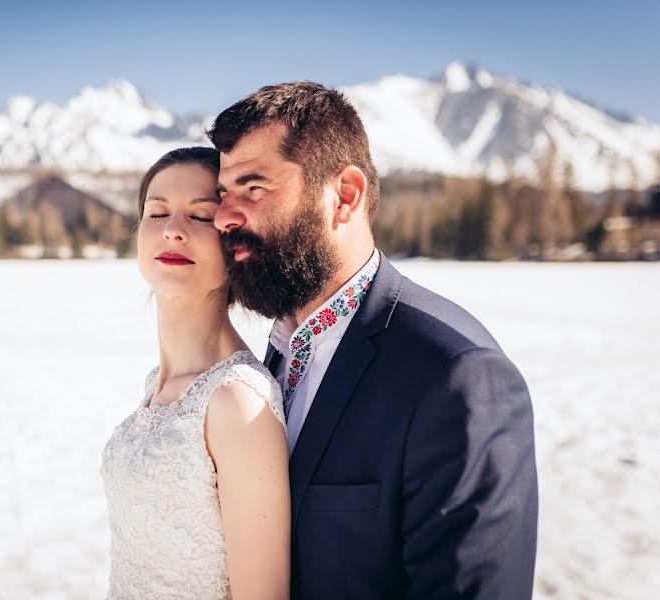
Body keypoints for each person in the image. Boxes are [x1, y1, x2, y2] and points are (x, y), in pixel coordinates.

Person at [207, 82, 538, 599]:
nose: (225, 217)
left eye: (254, 189)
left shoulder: (455, 375)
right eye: (225, 195)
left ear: (345, 196)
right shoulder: (272, 354)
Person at [100, 147, 291, 600]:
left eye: (201, 217)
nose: (172, 231)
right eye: (157, 212)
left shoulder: (237, 400)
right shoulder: (159, 384)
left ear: (233, 240)